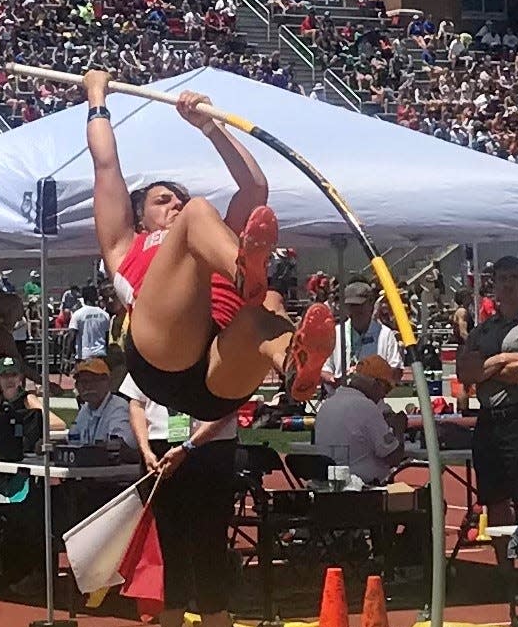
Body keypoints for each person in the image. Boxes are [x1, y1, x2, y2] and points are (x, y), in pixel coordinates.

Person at [83, 69, 335, 420]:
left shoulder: (216, 235)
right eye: (162, 200)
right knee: (201, 213)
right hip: (163, 359)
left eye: (177, 200)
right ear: (139, 218)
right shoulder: (125, 246)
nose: (175, 205)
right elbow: (105, 166)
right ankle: (243, 274)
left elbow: (254, 189)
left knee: (265, 306)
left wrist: (212, 127)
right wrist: (97, 97)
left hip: (221, 377)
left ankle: (291, 363)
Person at [456, 255, 518, 604]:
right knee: (494, 501)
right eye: (501, 278)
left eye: (514, 277)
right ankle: (505, 573)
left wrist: (489, 364)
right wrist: (499, 364)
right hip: (489, 421)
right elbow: (465, 372)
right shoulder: (483, 330)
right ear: (492, 285)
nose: (508, 284)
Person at [127, 371, 238, 627]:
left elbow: (228, 407)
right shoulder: (148, 355)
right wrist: (146, 450)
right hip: (160, 451)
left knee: (208, 546)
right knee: (169, 550)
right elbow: (136, 403)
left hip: (208, 450)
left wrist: (189, 447)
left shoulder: (217, 356)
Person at [313, 355, 405, 484]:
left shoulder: (329, 403)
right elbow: (393, 457)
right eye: (386, 388)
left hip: (328, 481)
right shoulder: (367, 407)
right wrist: (399, 428)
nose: (384, 394)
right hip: (360, 488)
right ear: (376, 383)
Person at [321, 281, 403, 389]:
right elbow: (324, 370)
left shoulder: (385, 334)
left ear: (371, 304)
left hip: (373, 400)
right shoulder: (336, 333)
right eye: (351, 306)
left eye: (360, 305)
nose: (355, 310)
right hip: (340, 395)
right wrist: (333, 379)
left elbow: (396, 371)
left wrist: (375, 374)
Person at [69, 357, 136, 446]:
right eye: (83, 382)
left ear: (107, 382)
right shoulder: (85, 409)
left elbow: (120, 444)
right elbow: (72, 439)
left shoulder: (119, 407)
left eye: (93, 380)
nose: (87, 386)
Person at [67, 285, 111, 361]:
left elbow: (72, 337)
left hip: (84, 357)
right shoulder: (105, 315)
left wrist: (67, 357)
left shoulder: (77, 314)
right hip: (101, 355)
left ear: (83, 298)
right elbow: (107, 337)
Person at [451, 289, 474, 414]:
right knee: (465, 383)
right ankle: (463, 410)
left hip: (462, 348)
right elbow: (463, 331)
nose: (471, 298)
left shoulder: (461, 311)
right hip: (464, 348)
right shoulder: (462, 312)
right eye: (469, 296)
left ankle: (463, 408)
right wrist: (473, 344)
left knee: (467, 383)